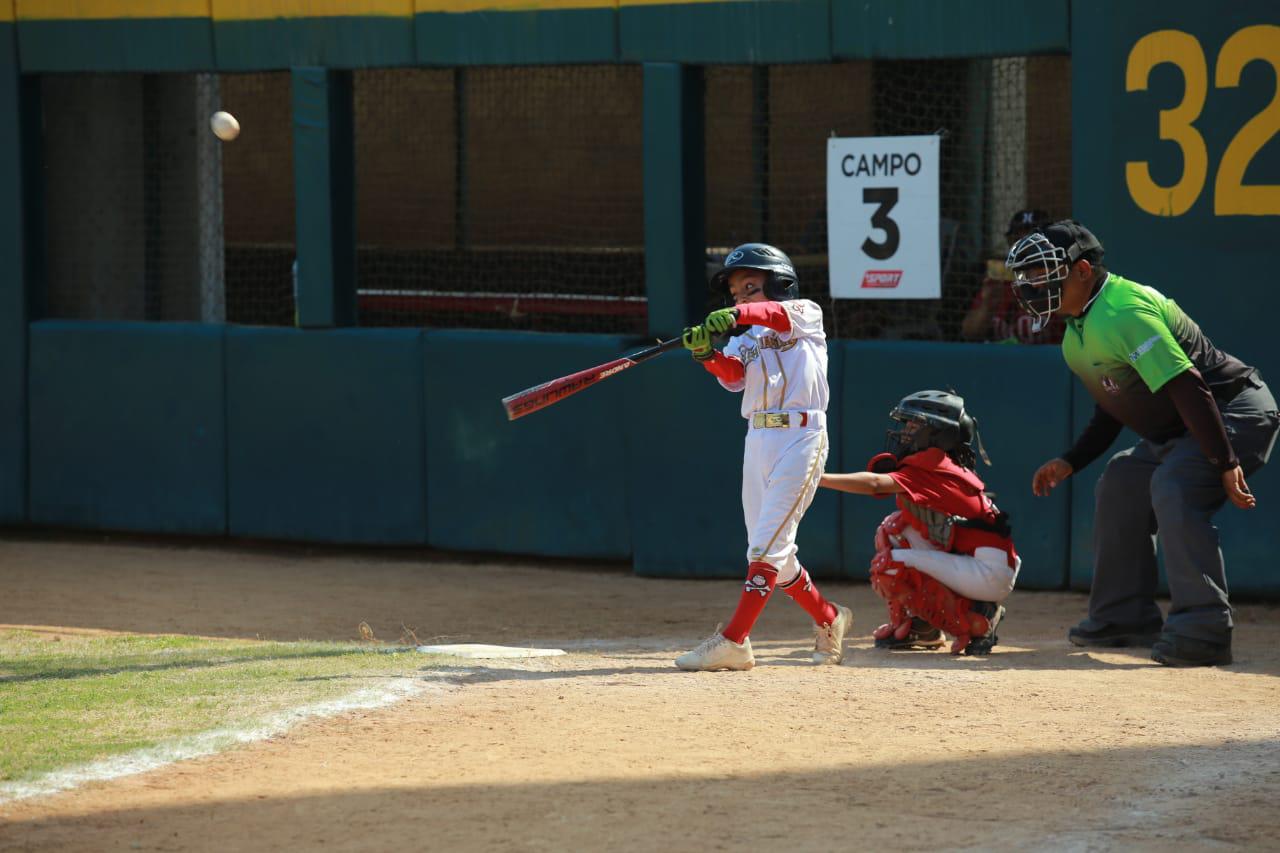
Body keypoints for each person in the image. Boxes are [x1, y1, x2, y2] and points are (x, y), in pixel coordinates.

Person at [1008, 220, 1280, 667]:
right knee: (1120, 482)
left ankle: (1204, 629)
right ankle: (1123, 616)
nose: (1033, 285)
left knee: (1175, 483)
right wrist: (1072, 460)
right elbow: (1117, 403)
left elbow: (1189, 386)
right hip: (1184, 426)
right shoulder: (1076, 333)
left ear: (1080, 271)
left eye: (1043, 272)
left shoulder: (1123, 310)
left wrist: (1225, 460)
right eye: (1029, 276)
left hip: (1234, 411)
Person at [675, 243, 852, 671]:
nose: (741, 299)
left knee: (765, 546)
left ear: (777, 283)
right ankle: (829, 618)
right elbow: (733, 376)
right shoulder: (745, 339)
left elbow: (771, 315)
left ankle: (735, 640)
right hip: (758, 438)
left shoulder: (805, 313)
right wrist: (706, 355)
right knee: (776, 554)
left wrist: (739, 315)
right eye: (735, 294)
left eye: (751, 288)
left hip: (801, 435)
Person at [819, 390, 1019, 655]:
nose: (905, 432)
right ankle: (920, 627)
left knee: (889, 566)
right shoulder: (938, 462)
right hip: (982, 562)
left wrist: (817, 478)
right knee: (894, 528)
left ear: (937, 434)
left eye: (915, 426)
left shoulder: (933, 464)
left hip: (988, 572)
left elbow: (876, 483)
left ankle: (977, 620)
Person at [961, 208, 1064, 345]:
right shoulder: (998, 283)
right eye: (1017, 240)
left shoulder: (1062, 277)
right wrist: (987, 307)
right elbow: (969, 333)